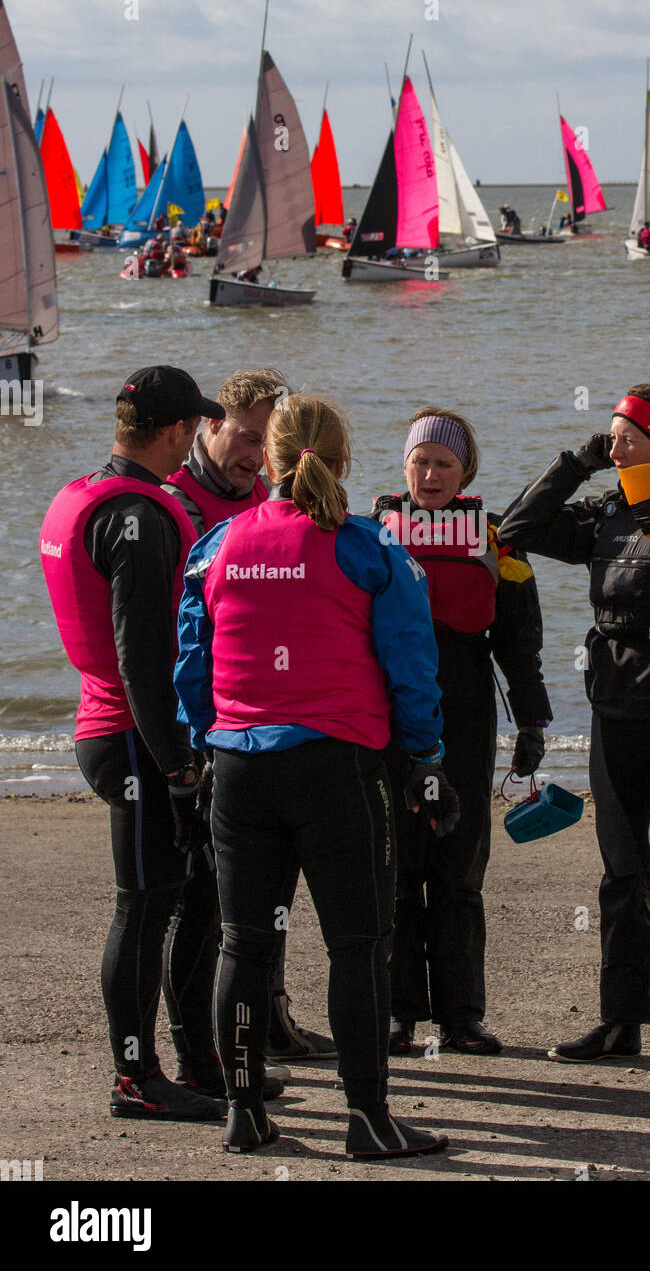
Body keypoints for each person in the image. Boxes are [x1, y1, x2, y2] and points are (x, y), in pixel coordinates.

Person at [174, 394, 457, 1158]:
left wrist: (208, 743)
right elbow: (412, 668)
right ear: (341, 462)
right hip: (336, 768)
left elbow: (191, 670)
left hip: (238, 767)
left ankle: (244, 1112)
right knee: (357, 943)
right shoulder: (370, 548)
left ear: (267, 460)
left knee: (244, 942)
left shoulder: (216, 544)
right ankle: (366, 1119)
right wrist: (427, 760)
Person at [499, 386, 650, 1062]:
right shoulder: (608, 513)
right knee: (623, 875)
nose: (614, 446)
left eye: (626, 438)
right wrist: (578, 463)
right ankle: (621, 1023)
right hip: (616, 712)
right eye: (610, 436)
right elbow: (517, 531)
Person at [39, 366, 231, 1121]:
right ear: (178, 432)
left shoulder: (80, 494)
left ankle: (194, 1063)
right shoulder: (141, 518)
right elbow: (143, 659)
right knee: (144, 909)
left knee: (179, 901)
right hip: (136, 739)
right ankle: (135, 1078)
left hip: (106, 724)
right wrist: (179, 766)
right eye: (194, 428)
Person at [164, 367, 336, 1064]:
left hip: (271, 724)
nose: (253, 453)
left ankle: (272, 1020)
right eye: (242, 438)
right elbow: (177, 638)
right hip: (208, 728)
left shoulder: (266, 495)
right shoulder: (178, 504)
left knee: (270, 896)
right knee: (206, 902)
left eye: (265, 441)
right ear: (208, 427)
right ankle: (205, 1051)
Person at [373, 409, 552, 1055]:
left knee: (459, 865)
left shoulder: (496, 538)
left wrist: (533, 722)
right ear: (404, 466)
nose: (430, 474)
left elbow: (519, 641)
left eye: (444, 463)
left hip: (469, 708)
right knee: (396, 867)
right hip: (389, 713)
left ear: (466, 471)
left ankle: (461, 1016)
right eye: (420, 461)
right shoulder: (373, 532)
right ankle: (397, 1013)